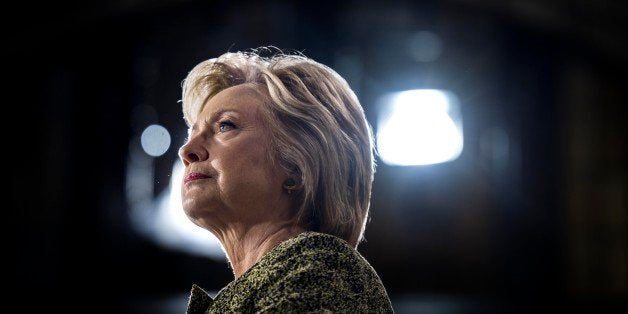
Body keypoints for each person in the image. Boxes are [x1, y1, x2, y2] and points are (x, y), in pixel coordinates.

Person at [179, 48, 393, 313]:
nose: (187, 150)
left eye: (225, 125)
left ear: (296, 168)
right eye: (192, 133)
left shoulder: (321, 270)